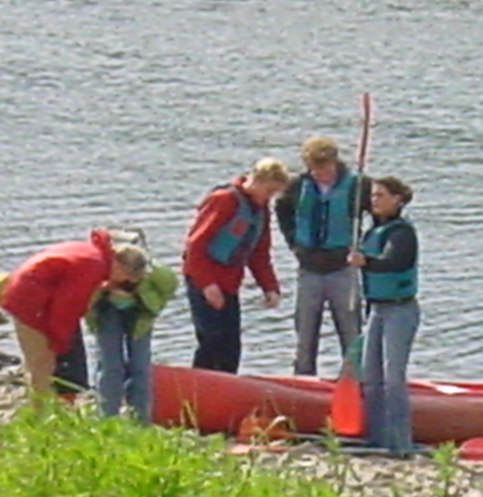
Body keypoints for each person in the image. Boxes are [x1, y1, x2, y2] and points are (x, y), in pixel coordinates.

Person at [0, 229, 149, 401]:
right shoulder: (93, 267)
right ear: (122, 268)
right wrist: (59, 344)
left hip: (34, 290)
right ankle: (41, 410)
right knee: (43, 362)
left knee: (45, 360)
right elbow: (64, 311)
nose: (121, 284)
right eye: (125, 281)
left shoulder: (97, 254)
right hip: (28, 299)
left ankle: (43, 401)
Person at [274, 134, 370, 378]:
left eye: (324, 169)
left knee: (350, 331)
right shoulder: (297, 187)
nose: (320, 174)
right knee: (305, 334)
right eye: (315, 170)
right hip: (309, 269)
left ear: (335, 162)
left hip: (343, 269)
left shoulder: (357, 186)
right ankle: (304, 378)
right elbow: (282, 210)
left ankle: (355, 379)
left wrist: (365, 249)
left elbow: (379, 213)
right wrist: (294, 242)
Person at [182, 157, 288, 373]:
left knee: (231, 347)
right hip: (204, 279)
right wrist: (207, 284)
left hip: (230, 283)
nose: (269, 198)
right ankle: (197, 386)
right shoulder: (224, 200)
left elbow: (259, 254)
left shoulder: (260, 211)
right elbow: (195, 246)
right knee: (211, 340)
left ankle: (226, 387)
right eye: (269, 191)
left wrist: (270, 287)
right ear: (257, 180)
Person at [350, 175, 420, 454]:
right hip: (377, 309)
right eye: (373, 196)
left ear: (397, 199)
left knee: (393, 377)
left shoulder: (402, 233)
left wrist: (365, 261)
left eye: (380, 195)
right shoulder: (372, 231)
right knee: (371, 377)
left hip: (400, 310)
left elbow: (395, 261)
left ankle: (400, 442)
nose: (374, 200)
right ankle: (377, 438)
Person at [87, 236, 178, 422]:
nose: (127, 282)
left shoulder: (159, 275)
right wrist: (104, 290)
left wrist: (152, 307)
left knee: (140, 366)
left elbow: (169, 291)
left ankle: (141, 417)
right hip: (108, 311)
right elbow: (85, 300)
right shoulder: (99, 269)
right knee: (111, 365)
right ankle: (107, 416)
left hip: (140, 315)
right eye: (123, 279)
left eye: (132, 281)